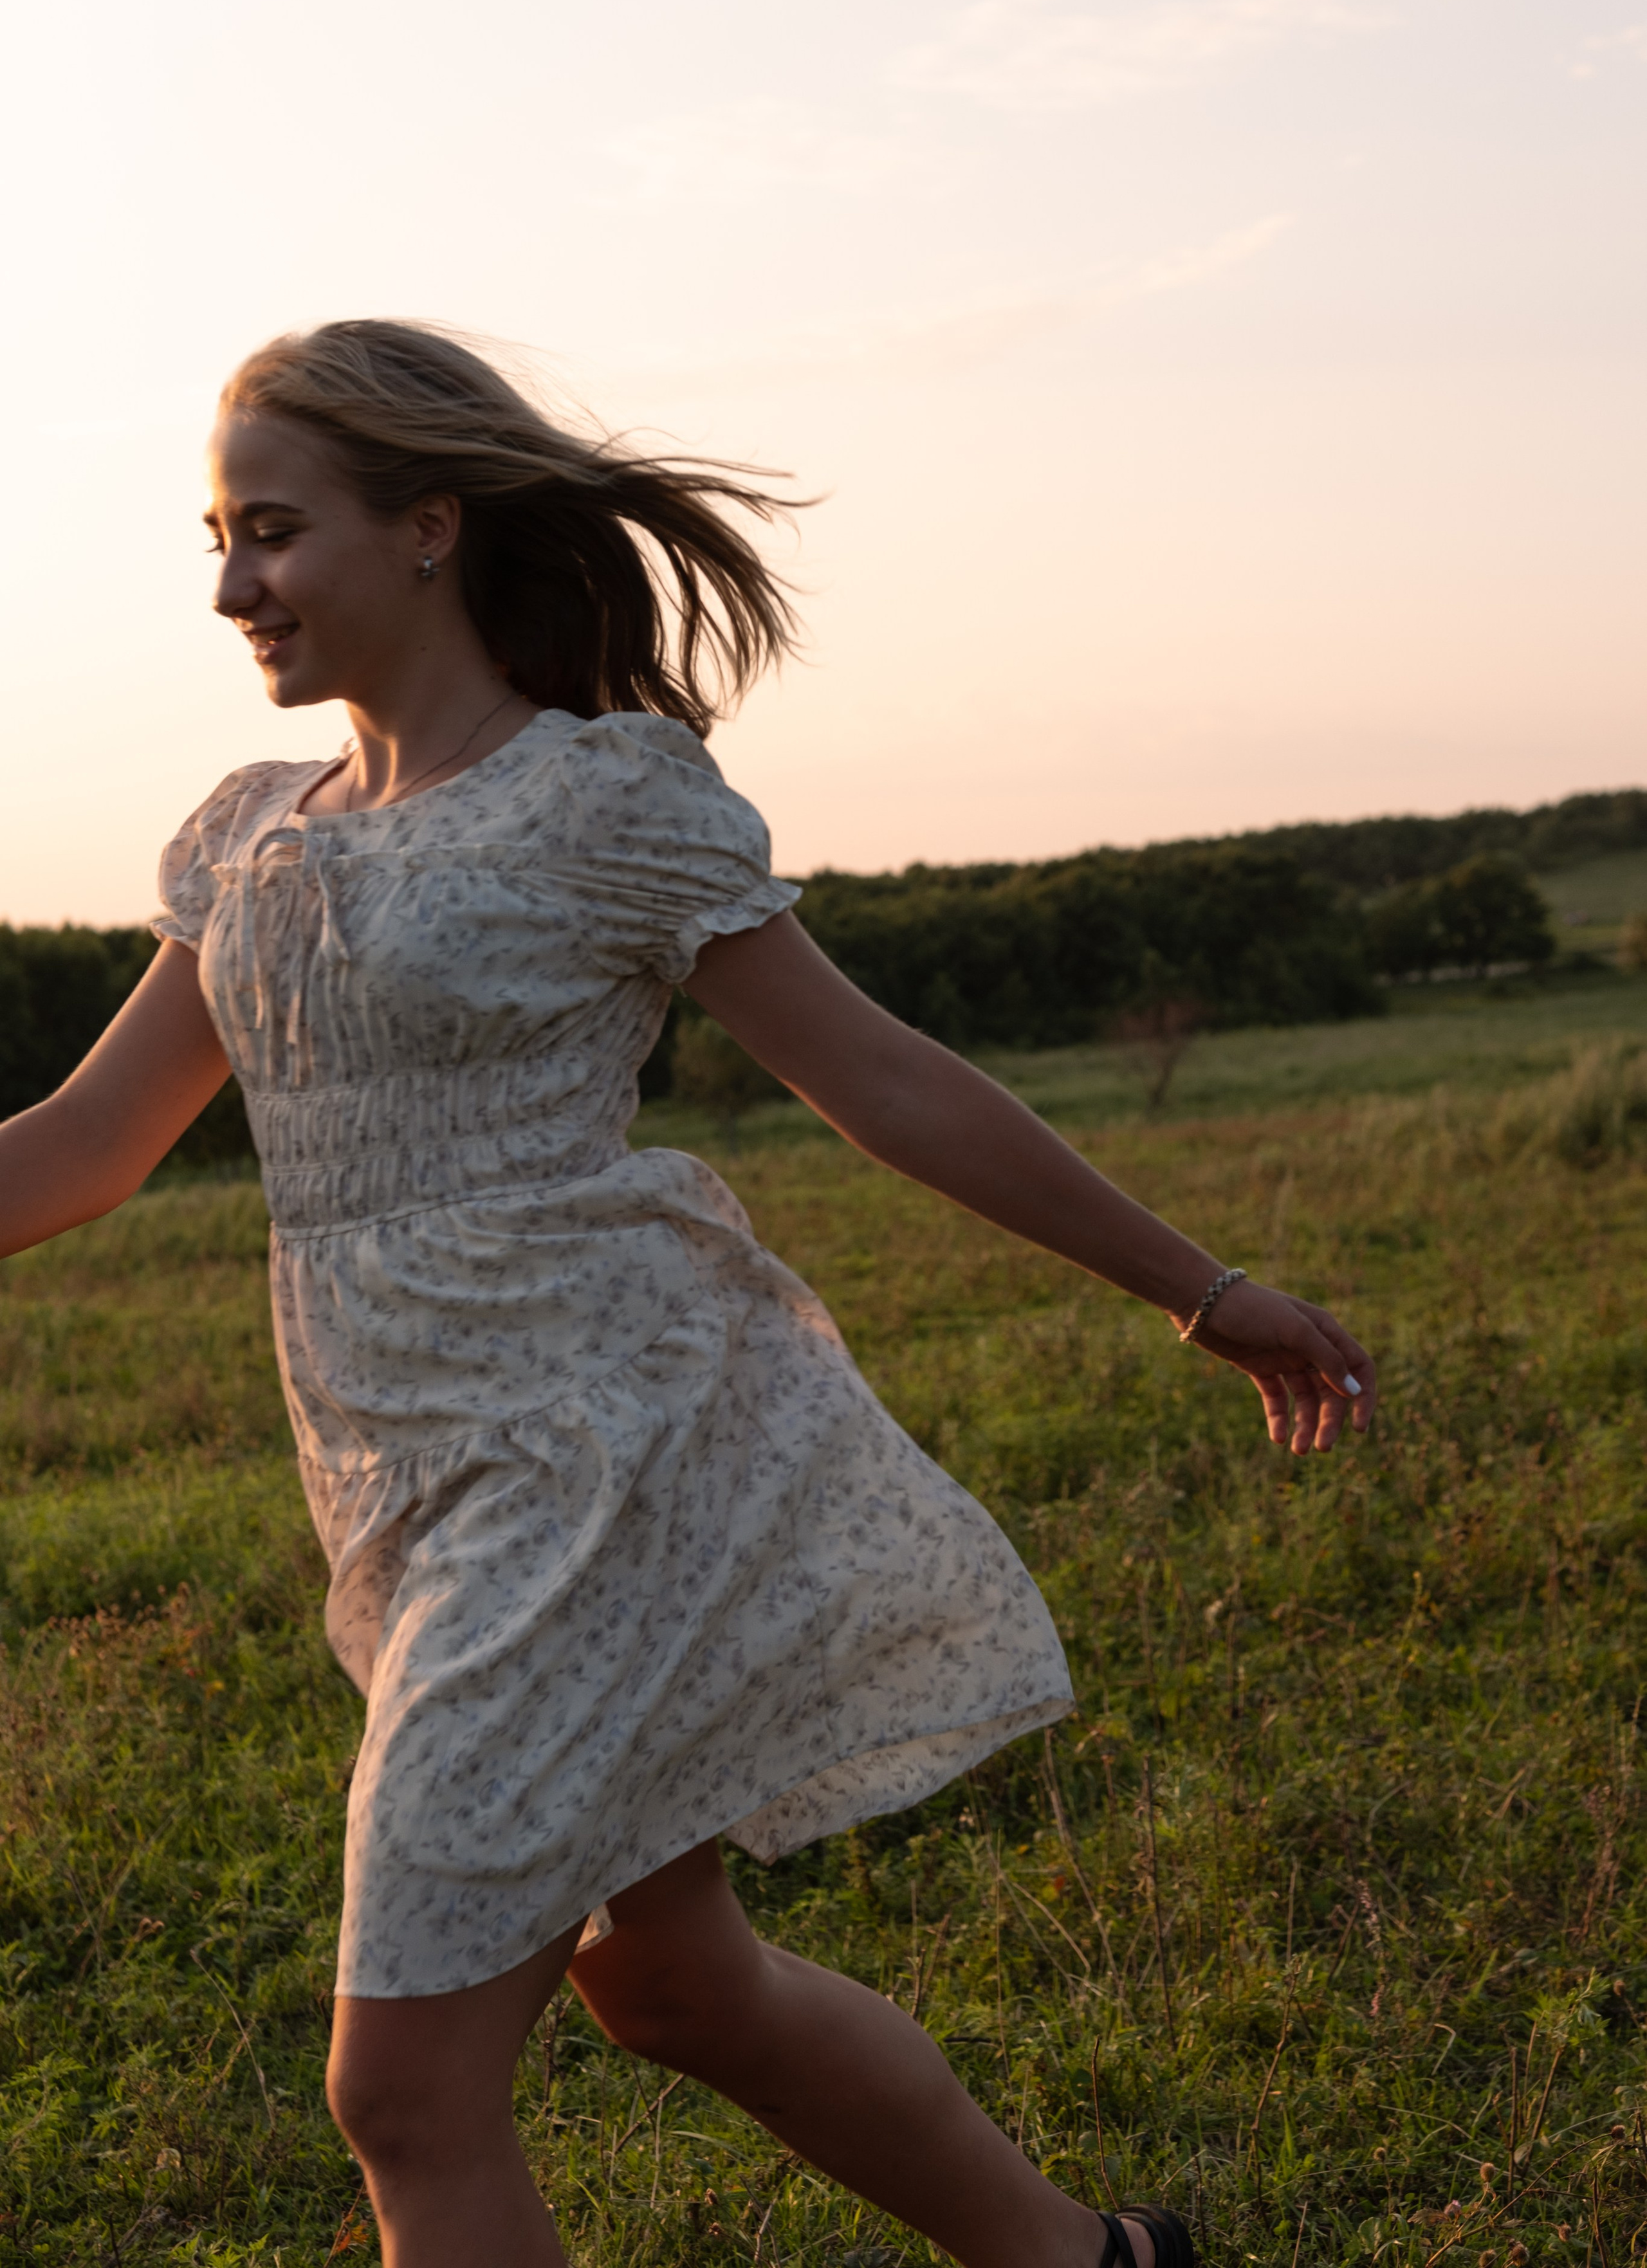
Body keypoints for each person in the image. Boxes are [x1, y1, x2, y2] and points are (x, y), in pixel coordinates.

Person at [0, 321, 1376, 2268]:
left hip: (597, 1460)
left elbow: (884, 1077)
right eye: (216, 538)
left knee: (401, 2090)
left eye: (275, 533)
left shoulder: (604, 802)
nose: (232, 586)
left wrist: (1198, 1285)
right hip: (396, 1472)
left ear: (428, 529)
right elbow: (79, 1148)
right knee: (673, 1990)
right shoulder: (249, 840)